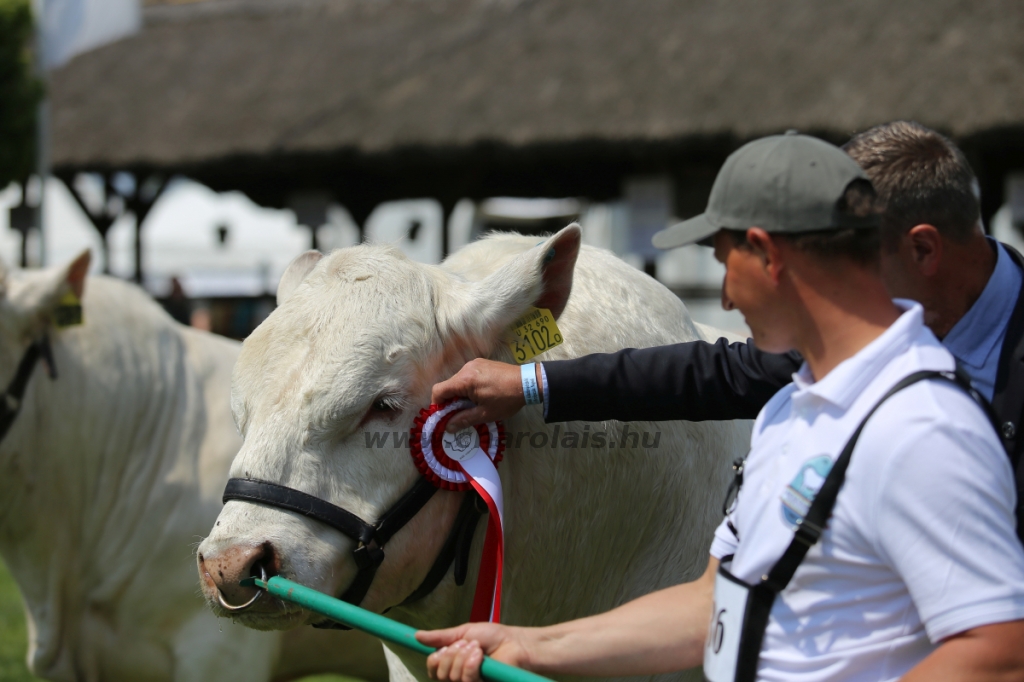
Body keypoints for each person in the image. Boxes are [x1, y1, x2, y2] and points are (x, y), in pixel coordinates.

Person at [418, 133, 1024, 682]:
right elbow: (716, 602)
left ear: (767, 253)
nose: (726, 299)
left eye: (723, 262)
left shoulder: (923, 426)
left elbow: (999, 651)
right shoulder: (791, 406)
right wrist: (530, 647)